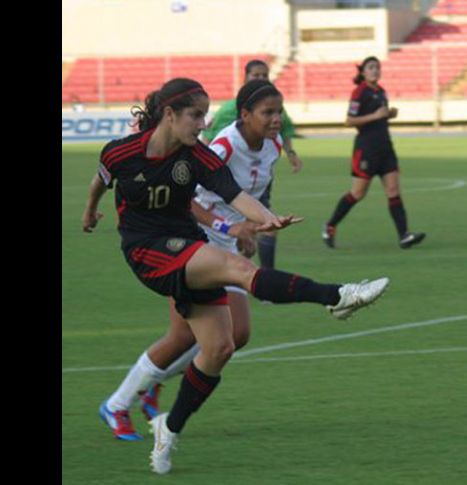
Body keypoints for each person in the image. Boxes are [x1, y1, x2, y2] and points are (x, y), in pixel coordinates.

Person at [83, 78, 389, 474]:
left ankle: (168, 429)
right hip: (148, 249)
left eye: (205, 115)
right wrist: (90, 212)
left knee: (220, 347)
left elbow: (235, 194)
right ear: (170, 114)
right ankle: (339, 296)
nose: (203, 123)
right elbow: (101, 180)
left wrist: (266, 218)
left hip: (188, 242)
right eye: (196, 116)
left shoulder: (197, 155)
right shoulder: (123, 151)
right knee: (240, 271)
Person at [202, 59, 301, 269]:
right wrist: (228, 228)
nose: (277, 119)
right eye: (268, 113)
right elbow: (187, 201)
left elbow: (249, 193)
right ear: (245, 115)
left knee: (245, 285)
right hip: (204, 233)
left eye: (279, 112)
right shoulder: (224, 148)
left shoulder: (274, 143)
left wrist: (248, 228)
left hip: (233, 232)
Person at [322, 56, 425, 250]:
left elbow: (379, 120)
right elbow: (349, 121)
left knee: (393, 191)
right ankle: (330, 225)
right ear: (363, 72)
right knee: (358, 193)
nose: (375, 70)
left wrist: (389, 115)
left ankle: (404, 235)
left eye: (377, 67)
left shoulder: (381, 91)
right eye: (370, 67)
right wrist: (376, 115)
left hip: (385, 148)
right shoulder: (359, 92)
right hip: (366, 150)